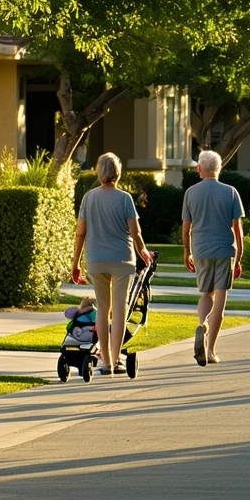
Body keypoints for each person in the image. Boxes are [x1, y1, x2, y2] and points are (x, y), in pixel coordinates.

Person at [71, 152, 152, 376]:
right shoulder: (124, 198)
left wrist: (75, 262)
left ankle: (105, 361)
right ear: (117, 172)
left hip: (96, 261)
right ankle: (115, 360)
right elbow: (135, 232)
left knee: (103, 310)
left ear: (99, 172)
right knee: (119, 310)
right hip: (122, 261)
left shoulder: (89, 198)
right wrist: (143, 251)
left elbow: (80, 233)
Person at [181, 149, 245, 367]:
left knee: (205, 294)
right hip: (224, 250)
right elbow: (238, 227)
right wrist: (240, 254)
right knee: (220, 300)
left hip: (200, 249)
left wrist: (186, 250)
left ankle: (202, 325)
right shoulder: (230, 192)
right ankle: (211, 351)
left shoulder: (190, 193)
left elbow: (186, 227)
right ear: (218, 168)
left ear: (201, 168)